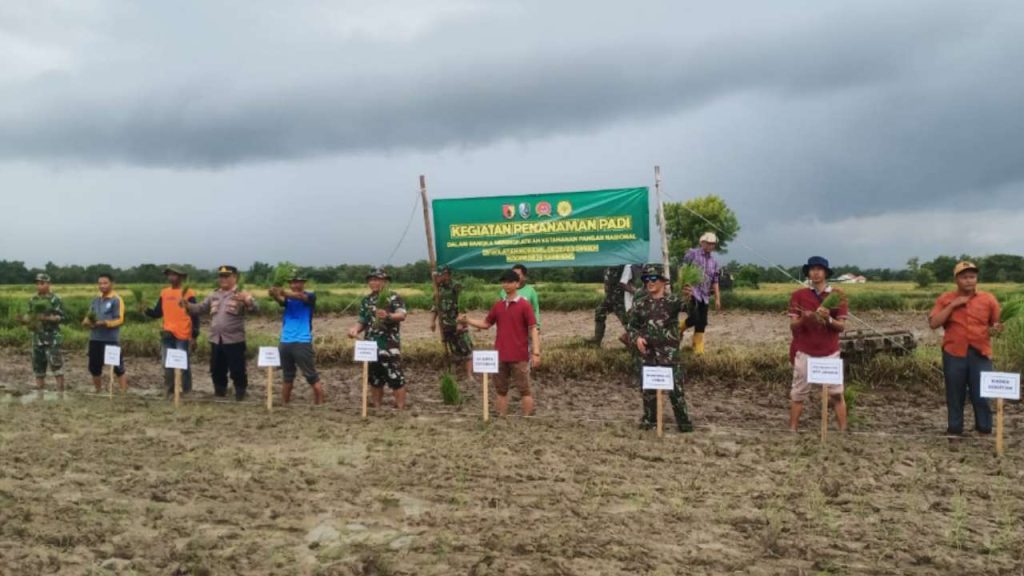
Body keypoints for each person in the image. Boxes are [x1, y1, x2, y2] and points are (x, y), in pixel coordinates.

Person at [929, 261, 1003, 436]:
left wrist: (998, 328)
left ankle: (983, 428)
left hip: (981, 353)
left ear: (976, 279)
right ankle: (954, 429)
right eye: (964, 277)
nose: (969, 280)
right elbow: (934, 323)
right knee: (955, 393)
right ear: (956, 279)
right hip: (954, 353)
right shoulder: (945, 299)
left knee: (982, 393)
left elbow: (997, 324)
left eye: (972, 277)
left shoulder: (988, 299)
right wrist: (954, 305)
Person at [460, 269, 541, 416]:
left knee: (524, 389)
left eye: (510, 282)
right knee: (501, 390)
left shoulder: (524, 305)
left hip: (520, 355)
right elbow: (486, 324)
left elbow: (533, 329)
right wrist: (468, 320)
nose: (506, 285)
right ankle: (501, 417)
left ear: (517, 284)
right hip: (501, 355)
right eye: (504, 282)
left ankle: (528, 419)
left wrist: (536, 352)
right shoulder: (498, 306)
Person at [626, 264, 694, 432]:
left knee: (676, 392)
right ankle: (650, 420)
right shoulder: (640, 303)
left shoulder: (674, 301)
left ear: (663, 282)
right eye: (646, 279)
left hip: (669, 355)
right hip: (647, 354)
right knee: (648, 391)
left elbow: (694, 315)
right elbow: (631, 326)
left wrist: (692, 299)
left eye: (653, 279)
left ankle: (684, 424)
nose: (649, 282)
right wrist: (637, 338)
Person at [787, 256, 848, 432]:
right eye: (812, 269)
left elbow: (841, 327)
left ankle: (843, 430)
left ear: (826, 273)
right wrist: (805, 319)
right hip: (805, 351)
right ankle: (792, 429)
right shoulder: (798, 295)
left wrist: (827, 318)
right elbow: (793, 325)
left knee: (836, 394)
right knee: (798, 394)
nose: (815, 272)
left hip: (829, 352)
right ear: (808, 273)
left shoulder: (837, 296)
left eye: (819, 269)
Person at [183, 265, 257, 400]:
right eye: (221, 276)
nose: (223, 279)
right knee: (217, 369)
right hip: (216, 339)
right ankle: (219, 393)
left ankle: (240, 394)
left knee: (237, 369)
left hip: (234, 339)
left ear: (235, 277)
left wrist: (247, 300)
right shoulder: (214, 294)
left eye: (226, 276)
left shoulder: (241, 294)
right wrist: (187, 306)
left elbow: (255, 309)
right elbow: (200, 308)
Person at [347, 268, 408, 409]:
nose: (373, 282)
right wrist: (355, 329)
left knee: (395, 377)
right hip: (370, 345)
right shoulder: (366, 300)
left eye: (377, 279)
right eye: (371, 280)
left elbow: (402, 315)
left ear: (385, 282)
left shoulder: (394, 297)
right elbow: (363, 321)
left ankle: (400, 408)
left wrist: (388, 316)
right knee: (374, 378)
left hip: (389, 344)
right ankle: (377, 406)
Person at [269, 269, 325, 405]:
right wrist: (273, 293)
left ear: (303, 283)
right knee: (287, 376)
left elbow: (299, 297)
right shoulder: (288, 300)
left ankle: (320, 403)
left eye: (297, 282)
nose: (295, 285)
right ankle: (284, 403)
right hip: (285, 341)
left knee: (311, 375)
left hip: (302, 341)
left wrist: (282, 292)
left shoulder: (310, 296)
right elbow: (280, 300)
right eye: (292, 282)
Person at [143, 266, 199, 396]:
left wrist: (194, 335)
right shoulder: (164, 292)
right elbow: (158, 313)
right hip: (168, 333)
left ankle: (187, 391)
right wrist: (145, 310)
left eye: (174, 275)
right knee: (167, 364)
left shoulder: (188, 293)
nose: (171, 277)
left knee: (183, 364)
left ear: (181, 277)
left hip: (183, 334)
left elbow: (195, 315)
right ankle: (169, 391)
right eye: (169, 275)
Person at [82, 273, 128, 393]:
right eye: (100, 283)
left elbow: (120, 319)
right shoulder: (95, 299)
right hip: (95, 338)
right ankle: (98, 390)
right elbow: (89, 315)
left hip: (110, 339)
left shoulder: (116, 300)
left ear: (112, 284)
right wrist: (86, 321)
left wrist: (104, 323)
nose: (102, 286)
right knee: (94, 367)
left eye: (105, 283)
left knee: (117, 367)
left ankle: (123, 393)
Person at [679, 232, 722, 355]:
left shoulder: (714, 261)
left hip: (705, 295)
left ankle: (698, 348)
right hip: (692, 292)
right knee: (694, 317)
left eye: (713, 244)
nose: (710, 246)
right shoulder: (692, 253)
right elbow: (683, 269)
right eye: (708, 243)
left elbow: (715, 280)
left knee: (702, 322)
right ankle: (678, 329)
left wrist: (718, 298)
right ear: (702, 242)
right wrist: (683, 287)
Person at [23, 274, 67, 392]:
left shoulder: (55, 299)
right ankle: (40, 391)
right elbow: (28, 314)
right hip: (37, 337)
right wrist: (26, 319)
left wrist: (47, 318)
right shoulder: (33, 299)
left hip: (53, 336)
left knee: (56, 364)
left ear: (48, 284)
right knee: (38, 366)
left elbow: (61, 317)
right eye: (37, 283)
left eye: (42, 283)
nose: (39, 286)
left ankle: (60, 392)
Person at [431, 265, 474, 381]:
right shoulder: (438, 289)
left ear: (446, 275)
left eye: (438, 275)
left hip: (457, 324)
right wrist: (432, 322)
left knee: (466, 349)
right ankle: (456, 374)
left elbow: (462, 304)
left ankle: (469, 375)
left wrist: (460, 322)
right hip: (446, 325)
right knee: (454, 350)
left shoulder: (456, 286)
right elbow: (436, 307)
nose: (436, 278)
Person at [588, 264, 641, 345]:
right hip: (609, 298)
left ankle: (636, 342)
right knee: (599, 312)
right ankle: (597, 340)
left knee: (629, 323)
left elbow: (624, 282)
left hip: (619, 299)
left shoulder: (623, 265)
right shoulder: (608, 264)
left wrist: (636, 292)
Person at [498, 264, 540, 331]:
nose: (514, 277)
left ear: (525, 277)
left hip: (526, 328)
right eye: (513, 275)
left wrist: (537, 326)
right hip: (508, 328)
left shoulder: (531, 291)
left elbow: (535, 310)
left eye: (518, 275)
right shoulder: (503, 291)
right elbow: (500, 309)